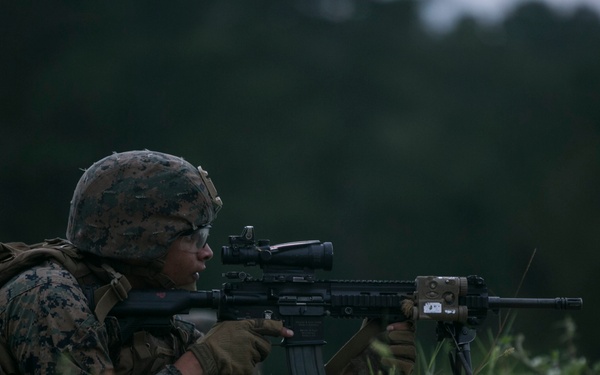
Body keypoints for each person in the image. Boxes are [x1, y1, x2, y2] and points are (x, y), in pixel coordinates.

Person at [0, 150, 416, 375]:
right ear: (143, 242)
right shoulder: (46, 296)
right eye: (193, 237)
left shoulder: (164, 324)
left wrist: (361, 364)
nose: (207, 252)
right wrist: (206, 361)